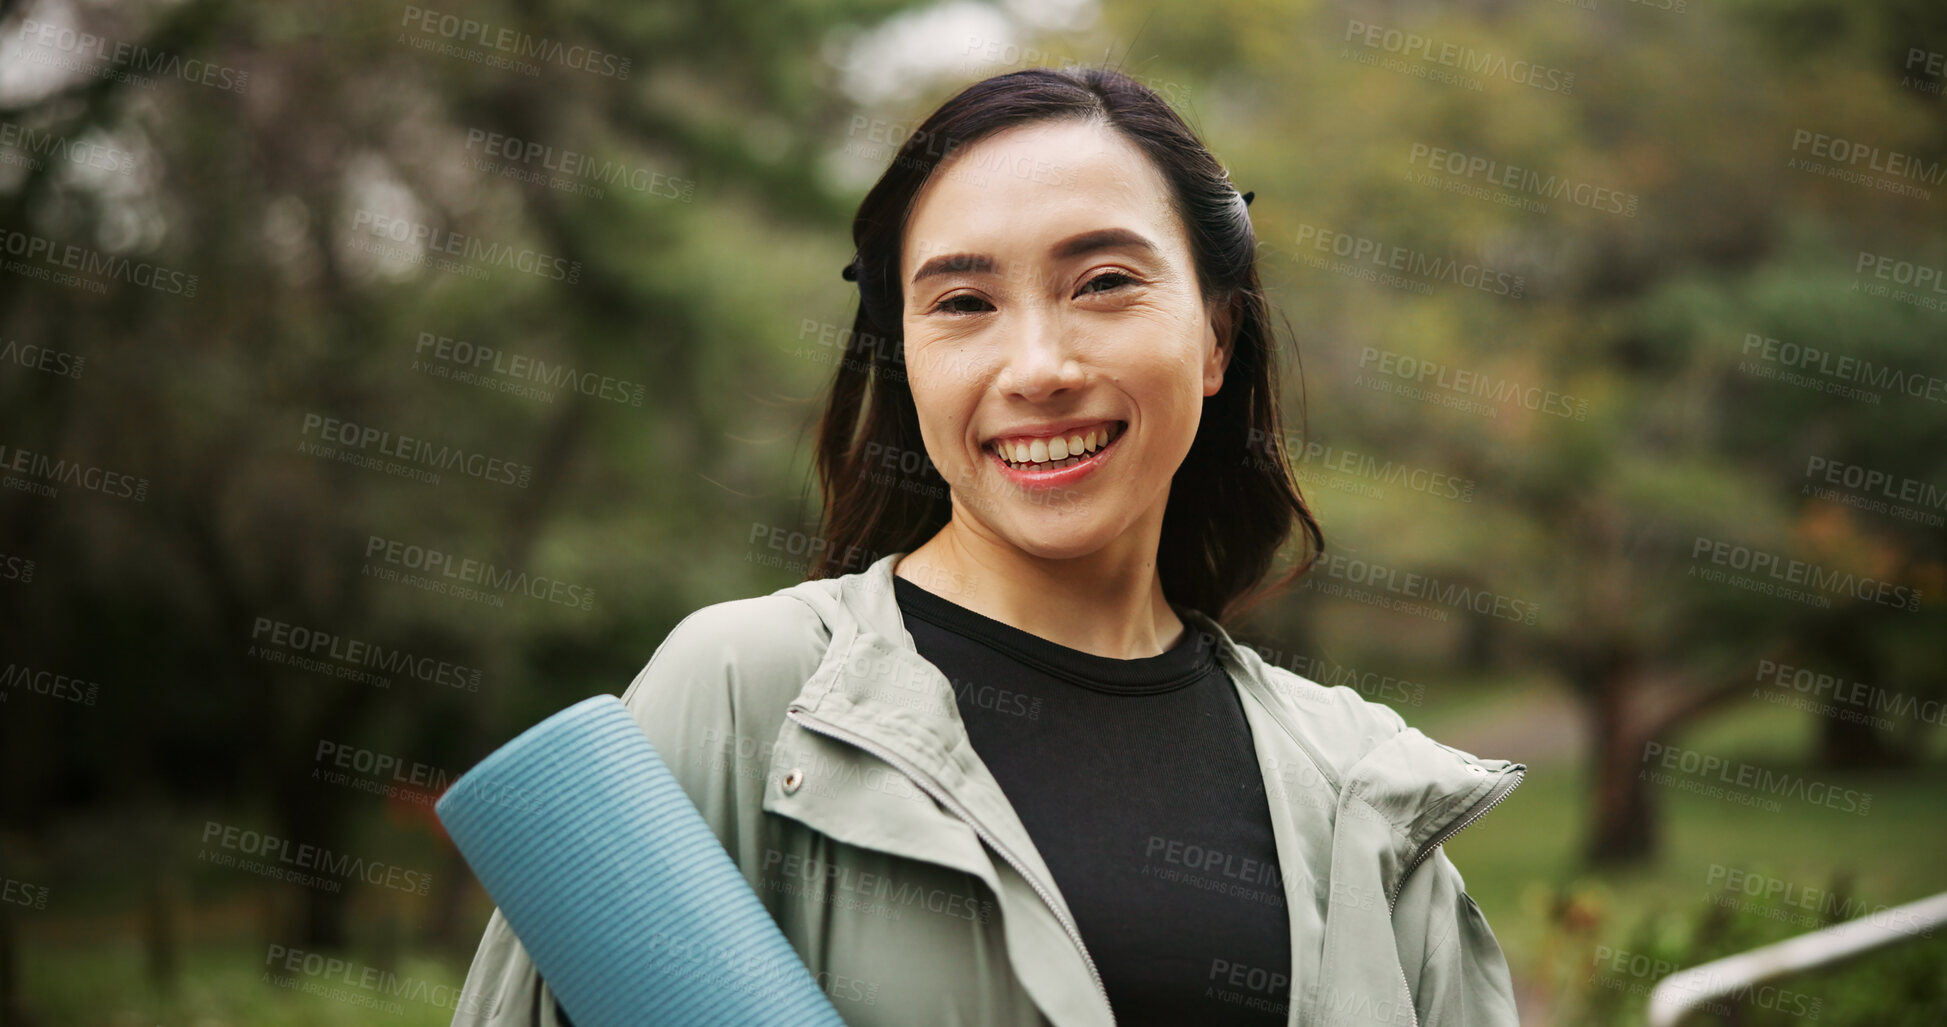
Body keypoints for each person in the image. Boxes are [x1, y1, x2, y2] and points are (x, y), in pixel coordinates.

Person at [452, 65, 1524, 1027]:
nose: (1038, 365)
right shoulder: (750, 691)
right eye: (963, 302)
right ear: (907, 357)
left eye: (1102, 281)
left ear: (1214, 334)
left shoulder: (1363, 786)